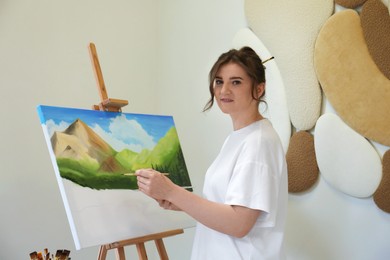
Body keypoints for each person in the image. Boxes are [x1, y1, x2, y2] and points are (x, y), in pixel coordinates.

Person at [135, 46, 288, 260]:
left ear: (259, 89)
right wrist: (181, 203)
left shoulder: (259, 142)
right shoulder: (239, 138)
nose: (224, 90)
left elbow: (239, 224)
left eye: (236, 82)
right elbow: (227, 209)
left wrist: (172, 192)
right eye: (219, 81)